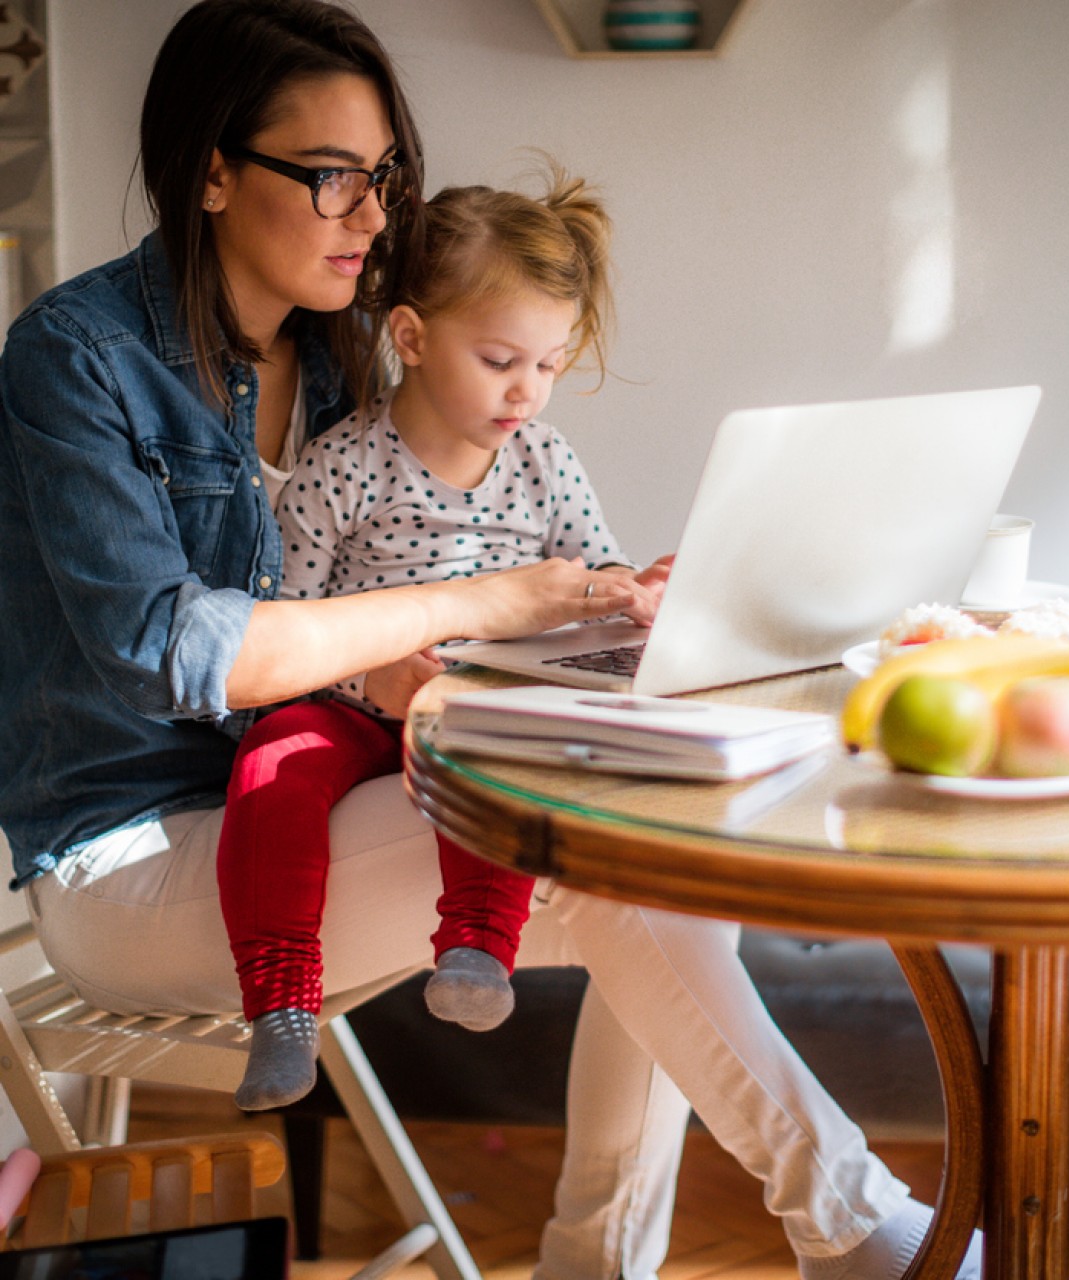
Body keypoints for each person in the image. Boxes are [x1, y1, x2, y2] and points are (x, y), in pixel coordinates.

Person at [0, 2, 981, 1277]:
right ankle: (848, 1225)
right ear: (212, 172)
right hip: (134, 855)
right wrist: (477, 608)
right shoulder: (77, 359)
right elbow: (184, 655)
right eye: (332, 175)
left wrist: (583, 619)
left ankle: (627, 1255)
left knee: (654, 856)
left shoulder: (353, 358)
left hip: (337, 797)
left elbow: (391, 612)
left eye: (384, 177)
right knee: (595, 839)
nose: (372, 216)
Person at [218, 167, 675, 1110]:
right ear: (413, 337)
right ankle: (282, 1005)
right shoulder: (341, 464)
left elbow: (594, 576)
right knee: (270, 766)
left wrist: (637, 592)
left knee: (500, 758)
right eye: (503, 361)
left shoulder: (545, 462)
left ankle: (477, 946)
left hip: (472, 707)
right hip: (348, 708)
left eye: (549, 365)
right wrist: (374, 683)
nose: (530, 393)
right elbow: (285, 637)